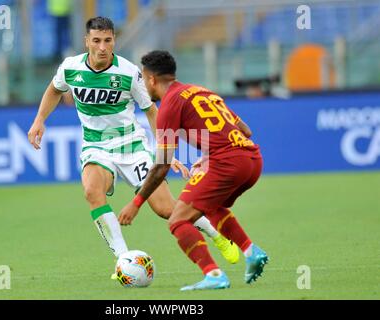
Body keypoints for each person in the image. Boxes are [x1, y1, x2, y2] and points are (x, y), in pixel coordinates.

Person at [27, 17, 239, 278]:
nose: (102, 47)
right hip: (96, 147)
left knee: (166, 209)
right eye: (96, 41)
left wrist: (165, 151)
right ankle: (123, 260)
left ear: (114, 40)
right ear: (87, 42)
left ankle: (216, 235)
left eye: (107, 40)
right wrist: (39, 120)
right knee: (92, 191)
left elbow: (151, 111)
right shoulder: (70, 68)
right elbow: (54, 89)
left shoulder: (129, 73)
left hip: (132, 147)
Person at [118, 50, 269, 291]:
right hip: (252, 160)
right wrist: (209, 155)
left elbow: (162, 165)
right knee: (211, 206)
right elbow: (245, 130)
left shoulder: (169, 105)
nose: (143, 86)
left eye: (143, 80)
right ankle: (251, 252)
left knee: (178, 221)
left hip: (227, 164)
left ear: (151, 80)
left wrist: (135, 203)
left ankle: (214, 274)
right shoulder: (202, 91)